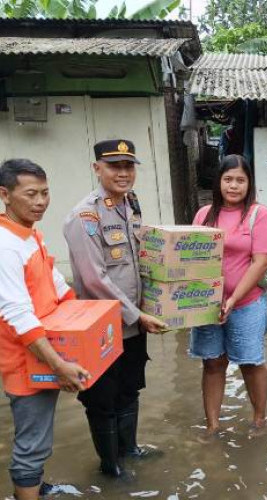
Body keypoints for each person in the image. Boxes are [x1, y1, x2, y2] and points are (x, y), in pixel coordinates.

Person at [63, 140, 167, 478]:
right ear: (97, 169)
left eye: (129, 166)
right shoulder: (85, 216)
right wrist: (138, 315)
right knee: (101, 399)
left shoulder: (130, 205)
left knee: (130, 387)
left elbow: (139, 263)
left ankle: (130, 450)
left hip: (135, 326)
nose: (123, 173)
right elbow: (95, 279)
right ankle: (111, 468)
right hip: (101, 330)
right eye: (114, 166)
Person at [0, 159, 90, 500]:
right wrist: (58, 364)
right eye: (31, 194)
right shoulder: (5, 245)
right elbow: (17, 315)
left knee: (41, 436)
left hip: (44, 351)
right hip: (27, 362)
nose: (41, 202)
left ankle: (35, 487)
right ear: (4, 195)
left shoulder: (29, 235)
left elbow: (54, 283)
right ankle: (27, 491)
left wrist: (86, 314)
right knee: (32, 443)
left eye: (45, 193)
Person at [190, 154, 267, 434]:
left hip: (247, 304)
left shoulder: (259, 215)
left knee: (250, 363)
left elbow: (262, 261)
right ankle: (213, 426)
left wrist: (232, 299)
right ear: (218, 181)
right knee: (213, 362)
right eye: (228, 179)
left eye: (240, 180)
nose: (234, 186)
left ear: (249, 183)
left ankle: (259, 420)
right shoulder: (204, 215)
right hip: (208, 305)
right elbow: (191, 258)